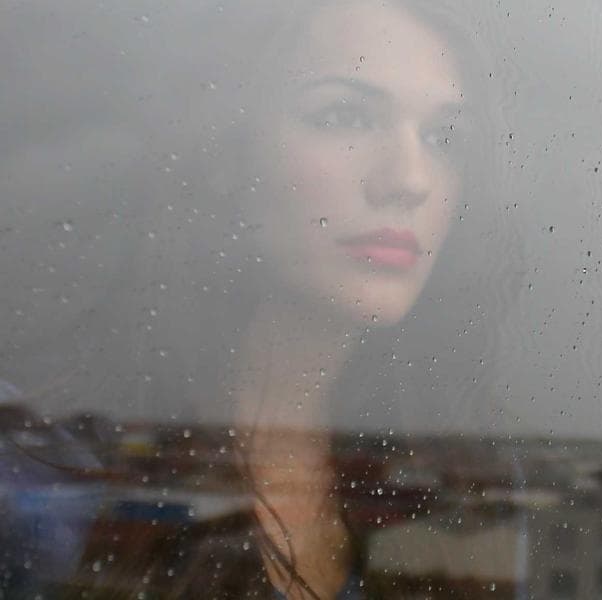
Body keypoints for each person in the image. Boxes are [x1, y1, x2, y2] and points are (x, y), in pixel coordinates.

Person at [0, 1, 519, 597]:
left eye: (445, 137)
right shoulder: (35, 464)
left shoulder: (472, 484)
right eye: (344, 116)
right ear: (226, 151)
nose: (409, 179)